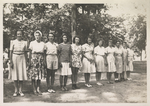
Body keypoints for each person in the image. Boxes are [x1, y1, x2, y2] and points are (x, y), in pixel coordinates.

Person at [9, 30, 28, 97]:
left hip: (22, 58)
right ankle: (15, 90)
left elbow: (25, 52)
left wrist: (26, 61)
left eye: (20, 34)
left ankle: (20, 91)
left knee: (21, 74)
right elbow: (10, 52)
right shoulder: (13, 42)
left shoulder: (24, 42)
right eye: (18, 34)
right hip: (15, 57)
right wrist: (10, 61)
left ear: (22, 35)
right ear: (16, 35)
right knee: (15, 74)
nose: (19, 35)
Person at [28, 30, 46, 95]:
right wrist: (29, 61)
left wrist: (44, 61)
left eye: (38, 35)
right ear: (34, 36)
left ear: (40, 36)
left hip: (40, 58)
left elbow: (44, 53)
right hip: (34, 58)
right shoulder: (32, 43)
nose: (37, 37)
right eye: (36, 35)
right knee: (33, 75)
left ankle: (38, 89)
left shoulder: (43, 43)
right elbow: (29, 53)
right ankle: (34, 89)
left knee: (39, 75)